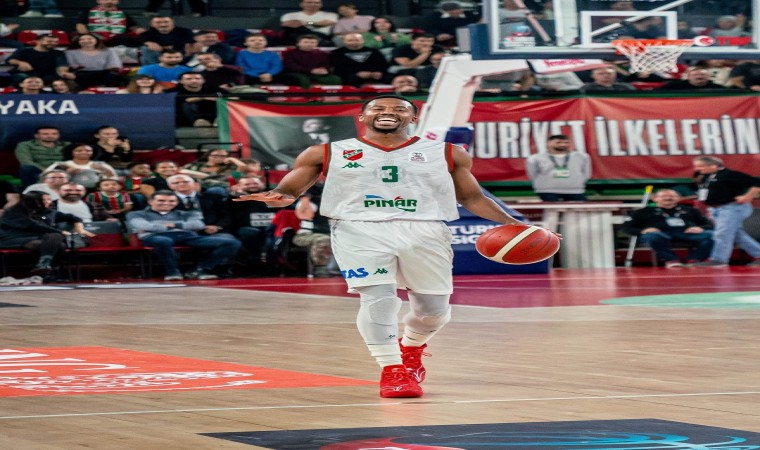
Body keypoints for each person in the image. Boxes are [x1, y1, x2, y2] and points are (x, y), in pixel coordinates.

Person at [234, 94, 530, 398]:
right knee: (379, 298)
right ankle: (392, 370)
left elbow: (472, 197)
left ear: (413, 118)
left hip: (425, 229)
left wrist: (515, 223)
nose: (388, 112)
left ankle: (411, 348)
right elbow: (289, 191)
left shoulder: (447, 153)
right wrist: (278, 197)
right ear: (362, 117)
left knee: (434, 311)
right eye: (378, 108)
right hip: (358, 228)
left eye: (399, 109)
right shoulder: (326, 152)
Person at [126, 190, 241, 281]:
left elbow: (199, 225)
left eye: (171, 201)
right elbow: (143, 226)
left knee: (232, 243)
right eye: (161, 200)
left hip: (186, 236)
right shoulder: (136, 214)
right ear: (150, 201)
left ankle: (200, 269)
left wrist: (174, 225)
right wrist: (180, 226)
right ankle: (172, 272)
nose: (166, 203)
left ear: (176, 202)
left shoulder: (185, 213)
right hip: (154, 237)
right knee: (164, 241)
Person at [0, 192, 94, 281]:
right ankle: (50, 273)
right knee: (58, 243)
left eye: (49, 199)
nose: (47, 202)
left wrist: (79, 227)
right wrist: (62, 232)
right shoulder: (13, 212)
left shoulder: (49, 212)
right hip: (14, 238)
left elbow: (73, 217)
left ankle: (44, 266)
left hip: (42, 238)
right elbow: (33, 225)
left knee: (56, 240)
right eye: (43, 200)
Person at [691, 156, 760, 267]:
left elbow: (757, 182)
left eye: (701, 166)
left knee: (722, 233)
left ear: (714, 165)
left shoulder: (729, 174)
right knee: (737, 235)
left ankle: (719, 260)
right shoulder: (707, 176)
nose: (697, 169)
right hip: (716, 209)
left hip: (732, 207)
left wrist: (748, 196)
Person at [622, 189, 713, 267]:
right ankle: (671, 260)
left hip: (686, 233)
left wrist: (700, 228)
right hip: (659, 234)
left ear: (679, 198)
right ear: (654, 198)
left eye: (672, 196)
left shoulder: (691, 210)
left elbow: (708, 225)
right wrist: (643, 230)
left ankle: (695, 259)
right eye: (663, 196)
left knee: (714, 235)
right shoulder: (642, 211)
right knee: (652, 236)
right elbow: (626, 227)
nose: (668, 198)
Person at [227, 176, 276, 270]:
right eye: (247, 184)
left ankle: (274, 265)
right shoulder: (233, 199)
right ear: (239, 186)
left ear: (262, 185)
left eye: (255, 183)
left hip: (271, 229)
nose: (252, 186)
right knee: (251, 233)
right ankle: (252, 265)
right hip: (246, 229)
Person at [525, 134, 591, 201]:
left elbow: (586, 174)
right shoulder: (535, 158)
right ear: (549, 143)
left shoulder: (582, 156)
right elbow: (532, 174)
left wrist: (577, 182)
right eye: (558, 142)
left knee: (580, 207)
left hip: (575, 190)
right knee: (552, 207)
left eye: (566, 142)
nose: (563, 144)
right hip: (547, 190)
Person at [45, 143, 118, 190]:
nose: (84, 152)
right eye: (79, 151)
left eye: (88, 151)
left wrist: (106, 171)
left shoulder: (101, 165)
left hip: (95, 192)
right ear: (71, 152)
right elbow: (45, 179)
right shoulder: (60, 165)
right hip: (66, 191)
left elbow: (114, 180)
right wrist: (67, 174)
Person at [6, 33, 73, 85]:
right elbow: (10, 60)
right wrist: (20, 62)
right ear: (37, 41)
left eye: (55, 42)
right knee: (20, 76)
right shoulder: (24, 50)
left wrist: (63, 72)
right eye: (49, 41)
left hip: (47, 76)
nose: (53, 44)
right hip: (27, 74)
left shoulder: (58, 53)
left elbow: (62, 64)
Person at [76, 0, 145, 48]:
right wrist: (89, 37)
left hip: (117, 39)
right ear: (98, 1)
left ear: (117, 1)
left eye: (113, 0)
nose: (109, 1)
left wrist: (144, 33)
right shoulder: (89, 11)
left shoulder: (122, 13)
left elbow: (133, 27)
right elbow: (80, 26)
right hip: (96, 38)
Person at [181, 148, 246, 194]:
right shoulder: (196, 165)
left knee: (216, 190)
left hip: (220, 188)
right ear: (208, 156)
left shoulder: (229, 168)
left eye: (223, 156)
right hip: (196, 187)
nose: (218, 157)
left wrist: (232, 159)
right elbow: (182, 171)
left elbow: (242, 167)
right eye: (215, 155)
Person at [656, 67, 726, 91]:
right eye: (695, 75)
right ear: (688, 77)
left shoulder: (718, 88)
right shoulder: (674, 86)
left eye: (703, 75)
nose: (699, 77)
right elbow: (656, 92)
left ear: (708, 77)